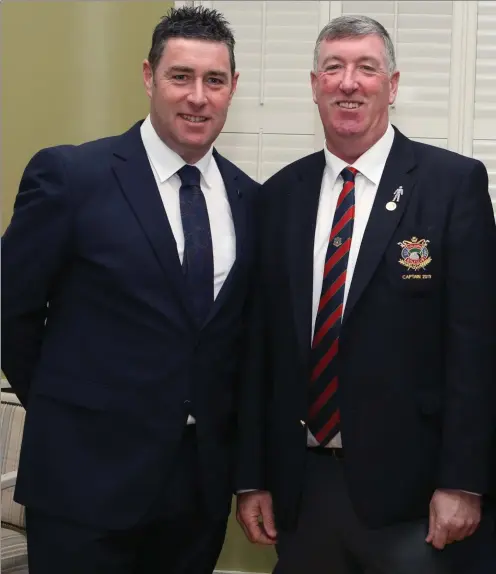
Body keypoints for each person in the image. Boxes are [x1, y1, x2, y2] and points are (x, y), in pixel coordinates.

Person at [2, 6, 259, 573]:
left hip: (196, 495)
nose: (198, 96)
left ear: (233, 88)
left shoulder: (250, 200)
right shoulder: (72, 177)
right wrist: (67, 410)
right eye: (180, 76)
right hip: (82, 487)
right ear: (149, 76)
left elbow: (234, 343)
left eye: (214, 80)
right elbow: (11, 311)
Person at [236, 14, 496, 574]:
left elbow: (477, 350)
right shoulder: (278, 197)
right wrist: (251, 479)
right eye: (333, 68)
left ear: (393, 85)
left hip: (415, 499)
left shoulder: (453, 185)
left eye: (366, 68)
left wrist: (464, 482)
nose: (348, 82)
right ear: (314, 86)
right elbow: (261, 350)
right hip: (302, 492)